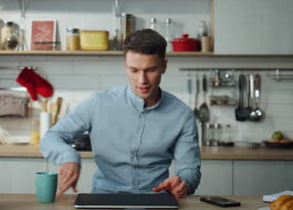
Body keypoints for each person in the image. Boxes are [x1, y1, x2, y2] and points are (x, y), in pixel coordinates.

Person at [40, 28, 201, 198]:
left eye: (151, 70)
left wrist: (184, 182)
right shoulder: (98, 103)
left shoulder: (182, 115)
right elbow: (52, 136)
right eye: (134, 70)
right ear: (125, 67)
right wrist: (68, 157)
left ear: (164, 66)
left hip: (155, 201)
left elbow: (190, 169)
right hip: (104, 200)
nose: (142, 80)